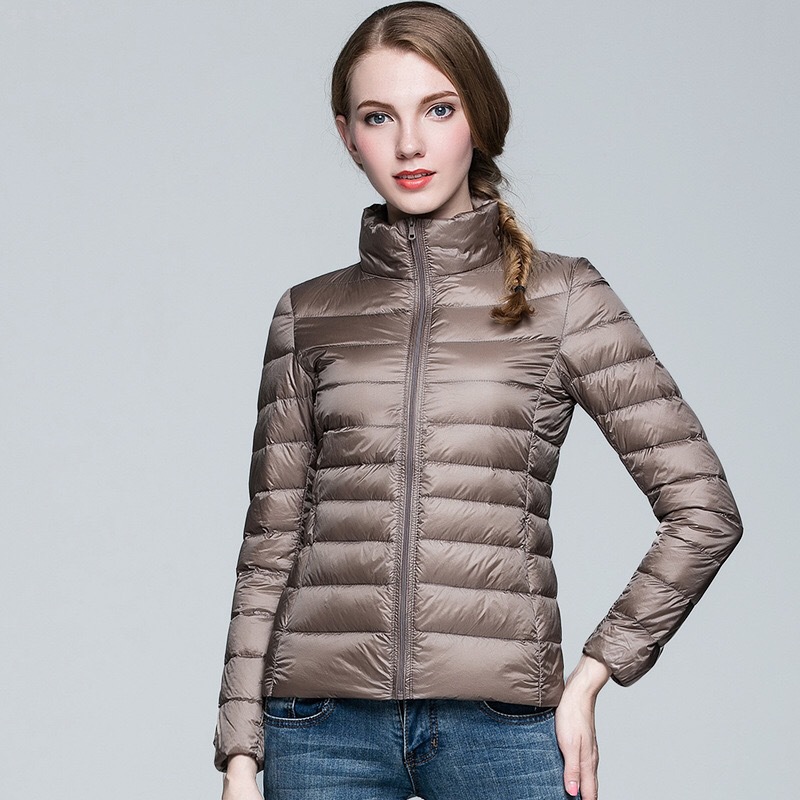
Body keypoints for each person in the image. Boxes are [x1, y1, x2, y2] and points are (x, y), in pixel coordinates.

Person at [213, 3, 743, 799]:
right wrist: (241, 756)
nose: (410, 144)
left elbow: (704, 509)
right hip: (321, 729)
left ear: (480, 119)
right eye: (378, 117)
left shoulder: (566, 297)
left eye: (438, 109)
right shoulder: (308, 313)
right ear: (348, 136)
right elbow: (270, 547)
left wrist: (596, 672)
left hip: (502, 724)